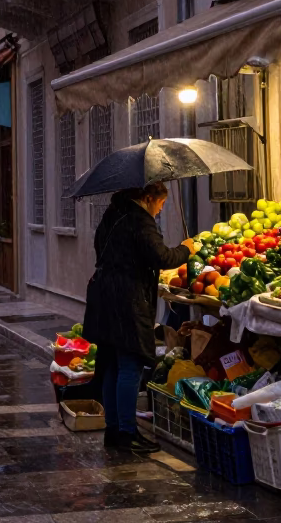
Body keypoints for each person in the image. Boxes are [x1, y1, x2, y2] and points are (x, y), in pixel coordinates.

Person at [82, 182, 190, 453]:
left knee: (111, 364)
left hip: (105, 296)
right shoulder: (139, 220)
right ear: (149, 198)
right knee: (129, 364)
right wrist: (187, 249)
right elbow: (162, 256)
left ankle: (114, 429)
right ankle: (128, 433)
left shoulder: (112, 214)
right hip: (127, 300)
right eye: (161, 204)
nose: (161, 210)